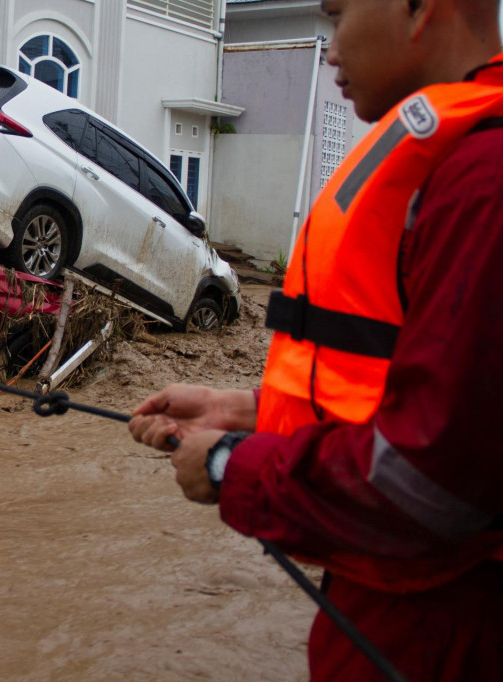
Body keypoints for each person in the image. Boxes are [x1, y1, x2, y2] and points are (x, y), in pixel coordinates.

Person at [128, 0, 503, 679]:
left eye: (337, 15)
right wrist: (249, 409)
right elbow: (415, 388)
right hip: (403, 605)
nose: (330, 50)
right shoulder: (457, 164)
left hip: (444, 627)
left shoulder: (484, 181)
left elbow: (432, 479)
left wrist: (232, 466)